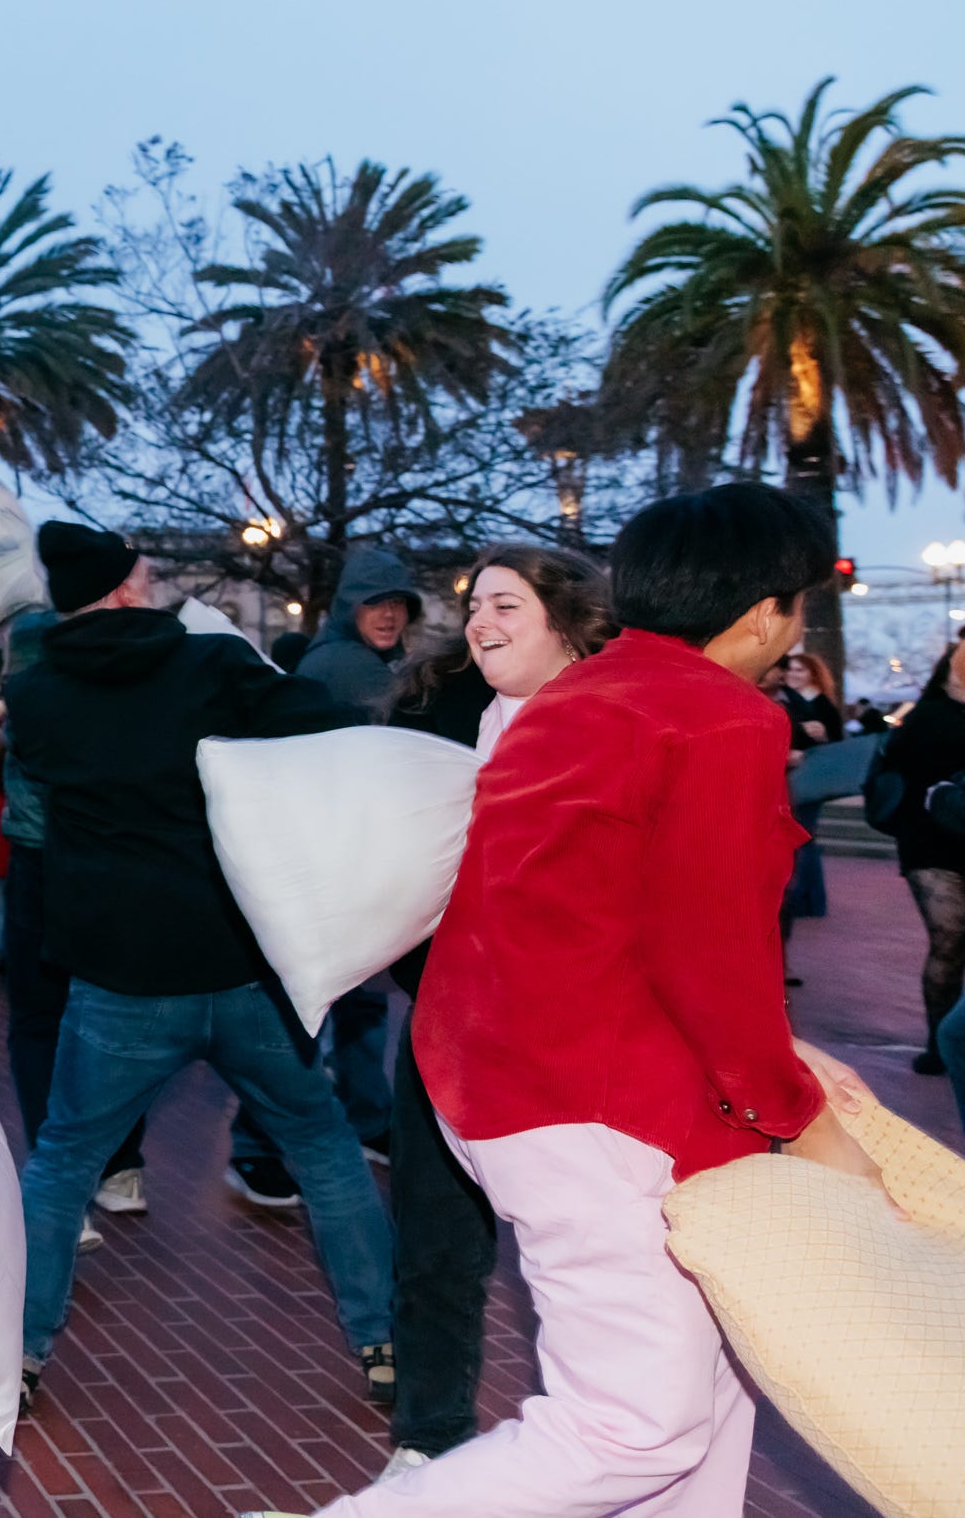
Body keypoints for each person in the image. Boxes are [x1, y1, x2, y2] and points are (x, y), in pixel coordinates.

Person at [307, 483, 887, 1518]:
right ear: (765, 610)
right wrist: (792, 1115)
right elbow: (708, 948)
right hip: (593, 1096)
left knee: (703, 1393)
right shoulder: (717, 716)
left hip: (500, 1074)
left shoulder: (582, 693)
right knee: (638, 1419)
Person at [13, 522, 395, 1414]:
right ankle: (382, 1341)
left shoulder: (35, 696)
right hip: (239, 962)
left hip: (119, 977)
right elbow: (321, 725)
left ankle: (22, 1352)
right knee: (326, 1146)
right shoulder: (208, 666)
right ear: (120, 589)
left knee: (64, 1157)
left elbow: (46, 762)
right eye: (142, 576)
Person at [375, 545, 613, 1480]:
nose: (481, 621)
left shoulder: (612, 722)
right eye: (475, 605)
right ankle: (429, 1437)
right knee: (437, 1243)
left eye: (507, 604)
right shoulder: (437, 711)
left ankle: (597, 1437)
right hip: (448, 1022)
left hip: (573, 1033)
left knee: (579, 1252)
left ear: (567, 621)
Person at [235, 547, 426, 1198]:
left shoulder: (365, 664)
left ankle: (365, 1118)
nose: (390, 614)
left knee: (351, 1005)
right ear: (350, 606)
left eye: (399, 603)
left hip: (347, 858)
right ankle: (256, 1141)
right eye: (377, 602)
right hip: (331, 861)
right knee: (312, 1011)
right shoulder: (346, 669)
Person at [0, 605, 147, 1242]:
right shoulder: (112, 678)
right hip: (107, 862)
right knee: (112, 1011)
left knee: (38, 1022)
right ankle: (120, 1166)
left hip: (40, 860)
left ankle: (60, 1184)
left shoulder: (32, 659)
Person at [875, 642, 965, 1075]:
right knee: (949, 937)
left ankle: (954, 1034)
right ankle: (938, 1042)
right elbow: (896, 776)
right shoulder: (924, 717)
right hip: (929, 842)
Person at [776, 650, 843, 928]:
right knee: (804, 838)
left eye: (800, 670)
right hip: (796, 777)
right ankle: (809, 899)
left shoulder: (820, 703)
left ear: (813, 674)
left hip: (807, 779)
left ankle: (806, 899)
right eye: (790, 669)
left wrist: (821, 736)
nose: (793, 674)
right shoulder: (792, 699)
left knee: (803, 837)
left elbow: (835, 742)